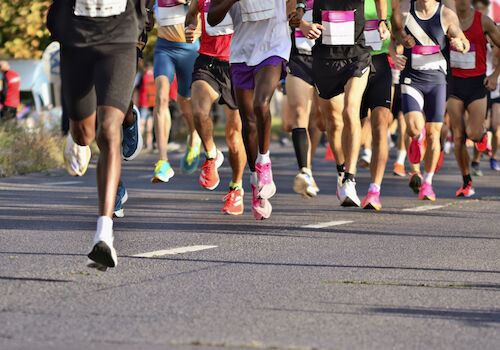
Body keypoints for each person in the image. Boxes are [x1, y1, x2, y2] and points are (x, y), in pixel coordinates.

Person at [47, 0, 145, 270]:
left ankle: (104, 235)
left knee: (109, 130)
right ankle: (77, 137)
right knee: (83, 133)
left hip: (121, 35)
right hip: (77, 36)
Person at [208, 0, 295, 220]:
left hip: (274, 45)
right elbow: (212, 18)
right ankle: (255, 180)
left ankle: (264, 163)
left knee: (261, 104)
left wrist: (295, 12)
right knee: (247, 120)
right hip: (242, 51)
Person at [300, 0, 390, 207]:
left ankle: (350, 179)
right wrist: (304, 25)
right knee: (333, 121)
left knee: (351, 110)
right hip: (325, 59)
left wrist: (382, 20)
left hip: (357, 55)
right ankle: (341, 170)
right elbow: (294, 10)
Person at [400, 0, 469, 201]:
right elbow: (394, 34)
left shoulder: (446, 14)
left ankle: (427, 182)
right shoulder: (405, 8)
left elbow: (463, 42)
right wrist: (400, 45)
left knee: (434, 134)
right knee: (414, 127)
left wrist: (459, 44)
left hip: (437, 81)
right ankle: (416, 138)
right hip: (411, 78)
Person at [185, 0, 247, 215]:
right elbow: (192, 13)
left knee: (234, 136)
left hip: (237, 64)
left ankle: (236, 188)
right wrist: (190, 28)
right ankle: (211, 155)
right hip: (207, 62)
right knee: (199, 112)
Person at [448, 0, 500, 197]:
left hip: (477, 83)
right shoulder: (445, 18)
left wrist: (494, 75)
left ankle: (481, 134)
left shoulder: (484, 21)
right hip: (453, 83)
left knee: (473, 133)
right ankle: (466, 181)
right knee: (459, 135)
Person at [360, 0, 408, 210]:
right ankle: (346, 178)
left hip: (380, 64)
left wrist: (396, 51)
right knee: (352, 123)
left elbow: (395, 31)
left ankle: (374, 190)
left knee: (380, 125)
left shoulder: (391, 2)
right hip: (352, 63)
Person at [151, 0, 202, 183]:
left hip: (189, 49)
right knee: (161, 98)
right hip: (164, 49)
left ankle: (193, 135)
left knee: (186, 106)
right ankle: (163, 161)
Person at [287, 0, 322, 198]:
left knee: (320, 122)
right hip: (298, 58)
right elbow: (289, 16)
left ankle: (310, 164)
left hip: (326, 58)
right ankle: (305, 169)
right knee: (299, 113)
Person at [136, 60, 156, 152]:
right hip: (153, 103)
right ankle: (149, 145)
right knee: (150, 125)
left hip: (143, 103)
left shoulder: (142, 77)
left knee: (141, 124)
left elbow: (136, 90)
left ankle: (139, 145)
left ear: (145, 68)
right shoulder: (156, 77)